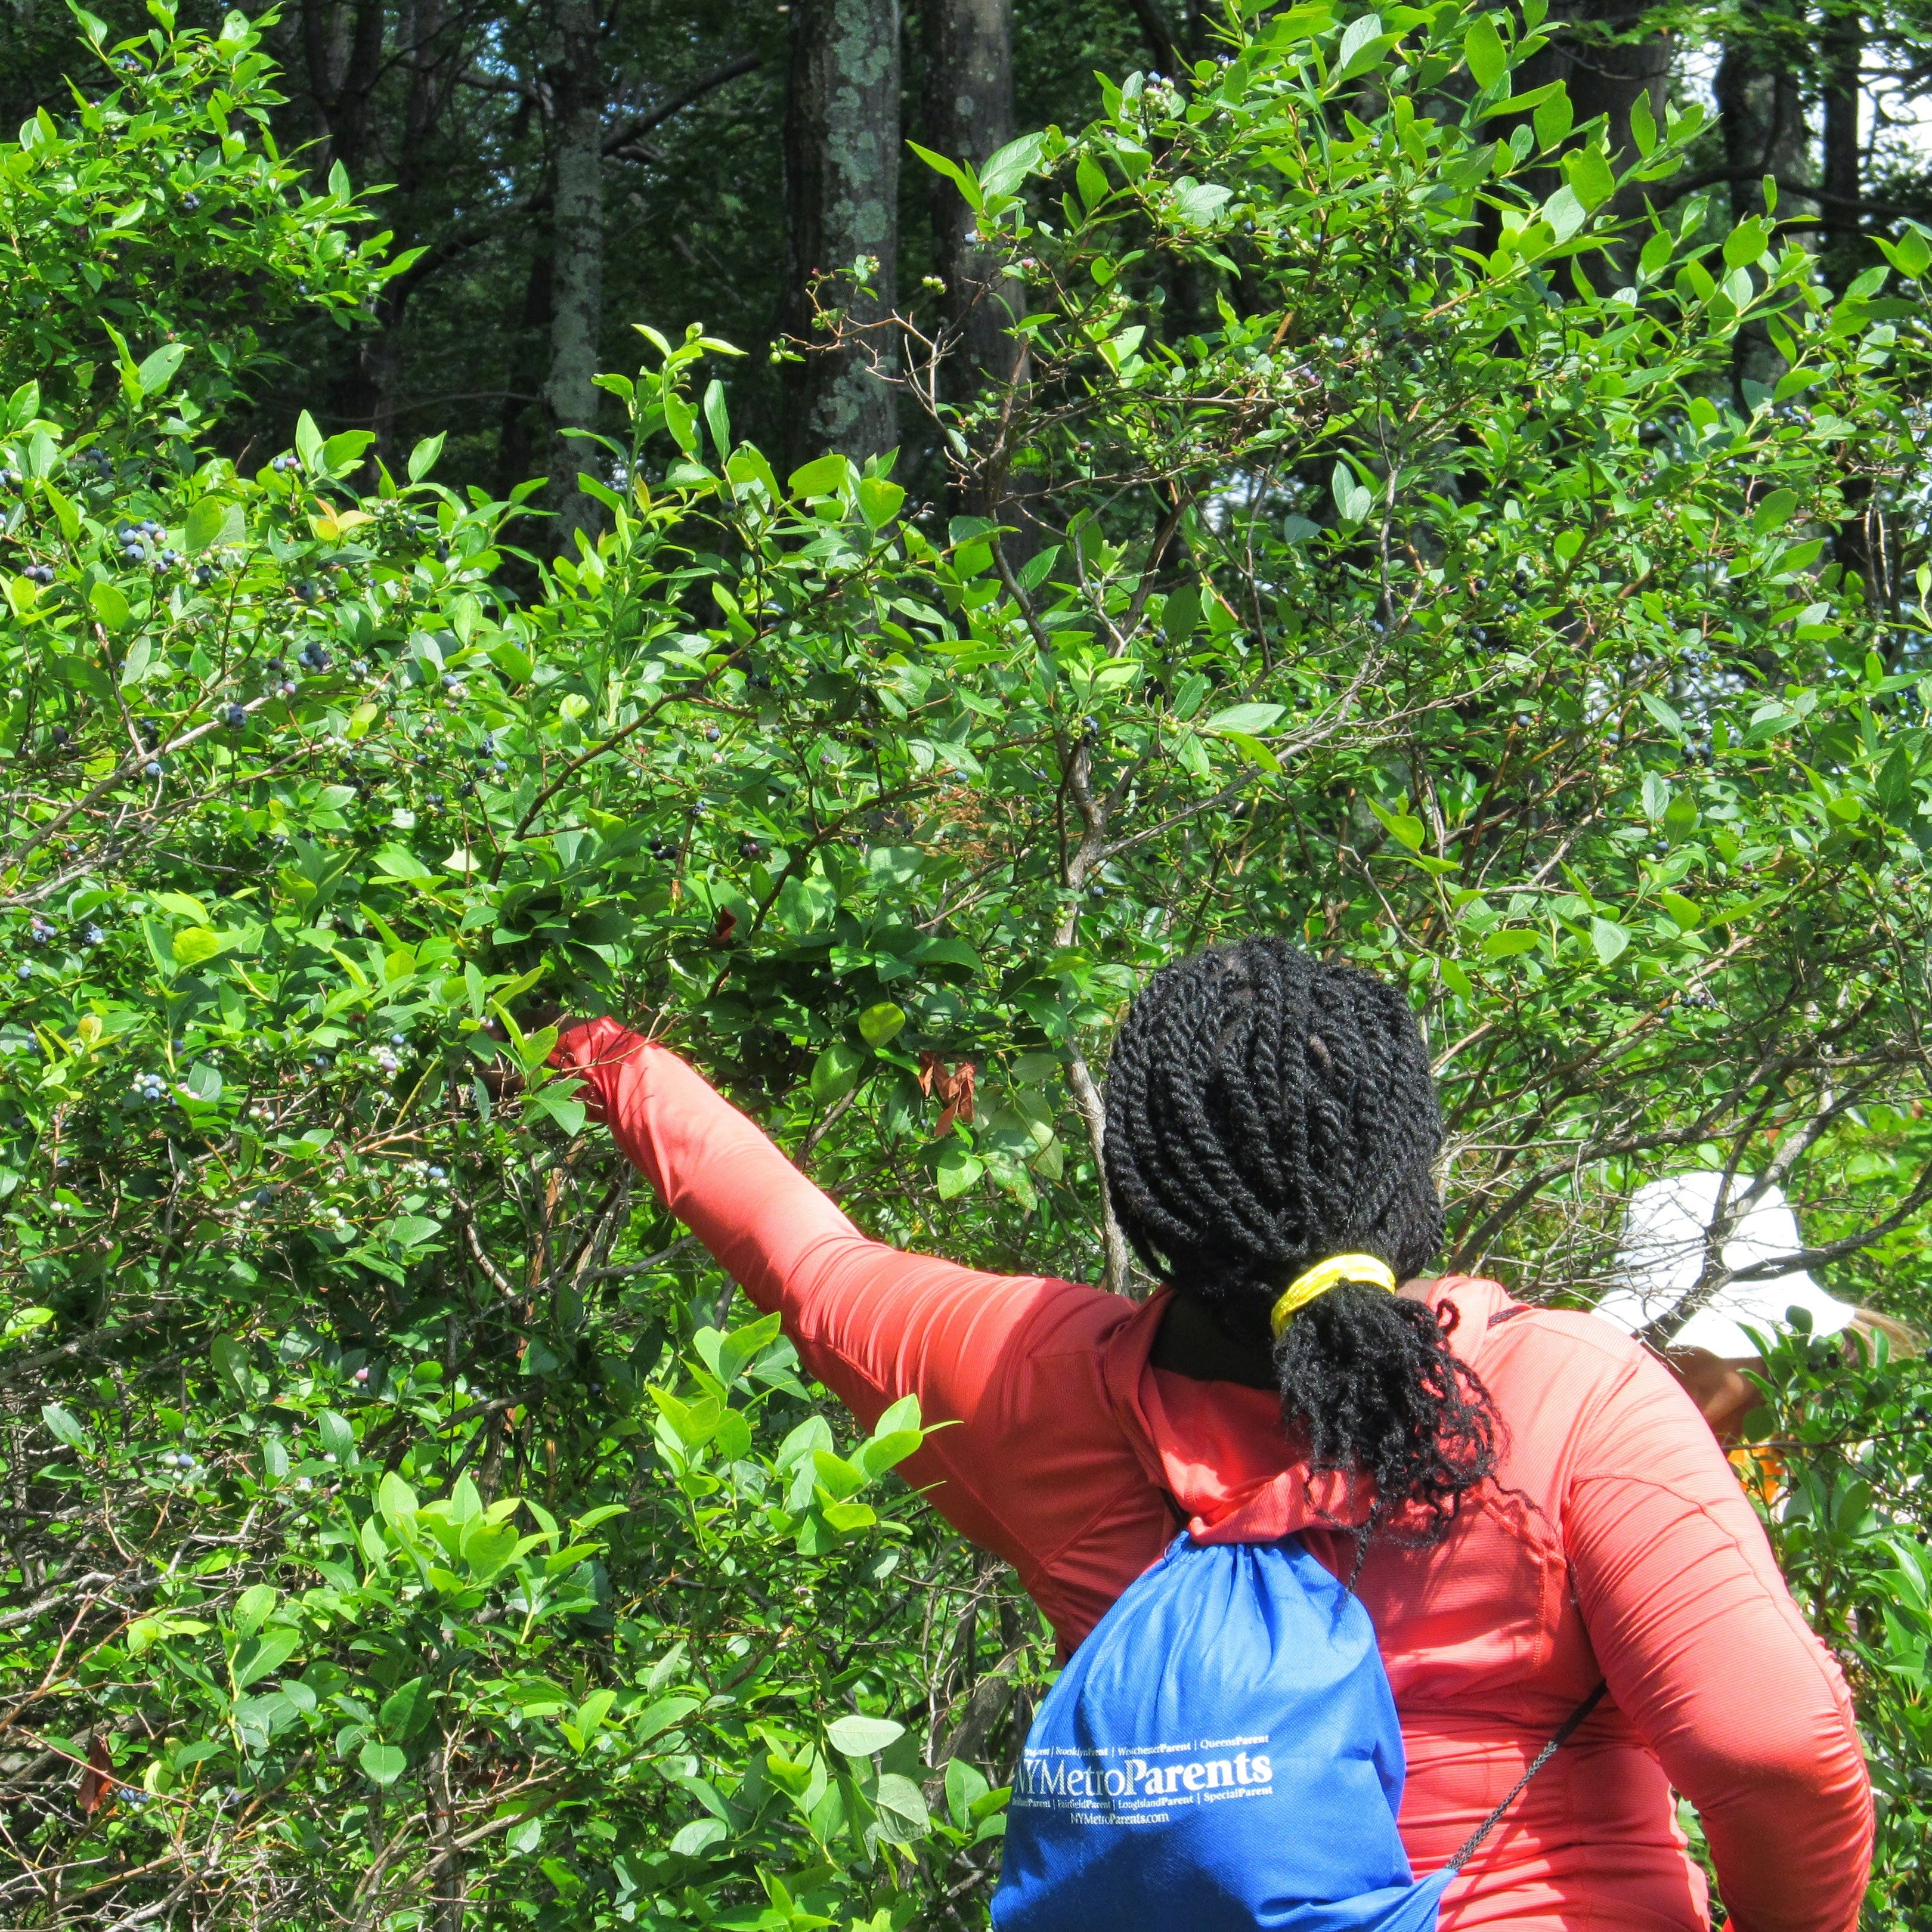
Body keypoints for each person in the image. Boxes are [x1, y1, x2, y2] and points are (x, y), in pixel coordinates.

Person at [540, 937, 1871, 1932]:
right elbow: (1774, 1755)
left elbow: (798, 1251)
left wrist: (582, 1040)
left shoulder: (1033, 1384)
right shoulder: (1569, 1394)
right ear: (1413, 1170)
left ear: (1145, 1191)